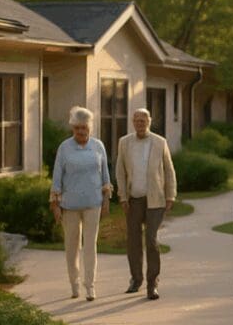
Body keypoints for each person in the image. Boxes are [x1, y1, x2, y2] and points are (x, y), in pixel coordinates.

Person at [50, 106, 112, 301]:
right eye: (77, 128)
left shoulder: (98, 146)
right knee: (71, 245)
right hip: (70, 205)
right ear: (72, 129)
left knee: (90, 246)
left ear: (90, 128)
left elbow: (105, 176)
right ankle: (74, 284)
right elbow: (57, 177)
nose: (81, 132)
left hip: (93, 203)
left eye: (84, 127)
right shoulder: (64, 148)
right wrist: (55, 204)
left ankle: (90, 286)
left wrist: (106, 200)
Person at [115, 107, 177, 300]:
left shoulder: (160, 142)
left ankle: (153, 283)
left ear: (149, 122)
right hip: (134, 199)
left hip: (155, 199)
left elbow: (169, 170)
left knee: (151, 240)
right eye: (137, 121)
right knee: (133, 241)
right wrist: (123, 196)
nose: (140, 124)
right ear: (133, 123)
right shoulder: (124, 143)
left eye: (143, 121)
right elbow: (120, 172)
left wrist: (171, 195)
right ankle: (136, 279)